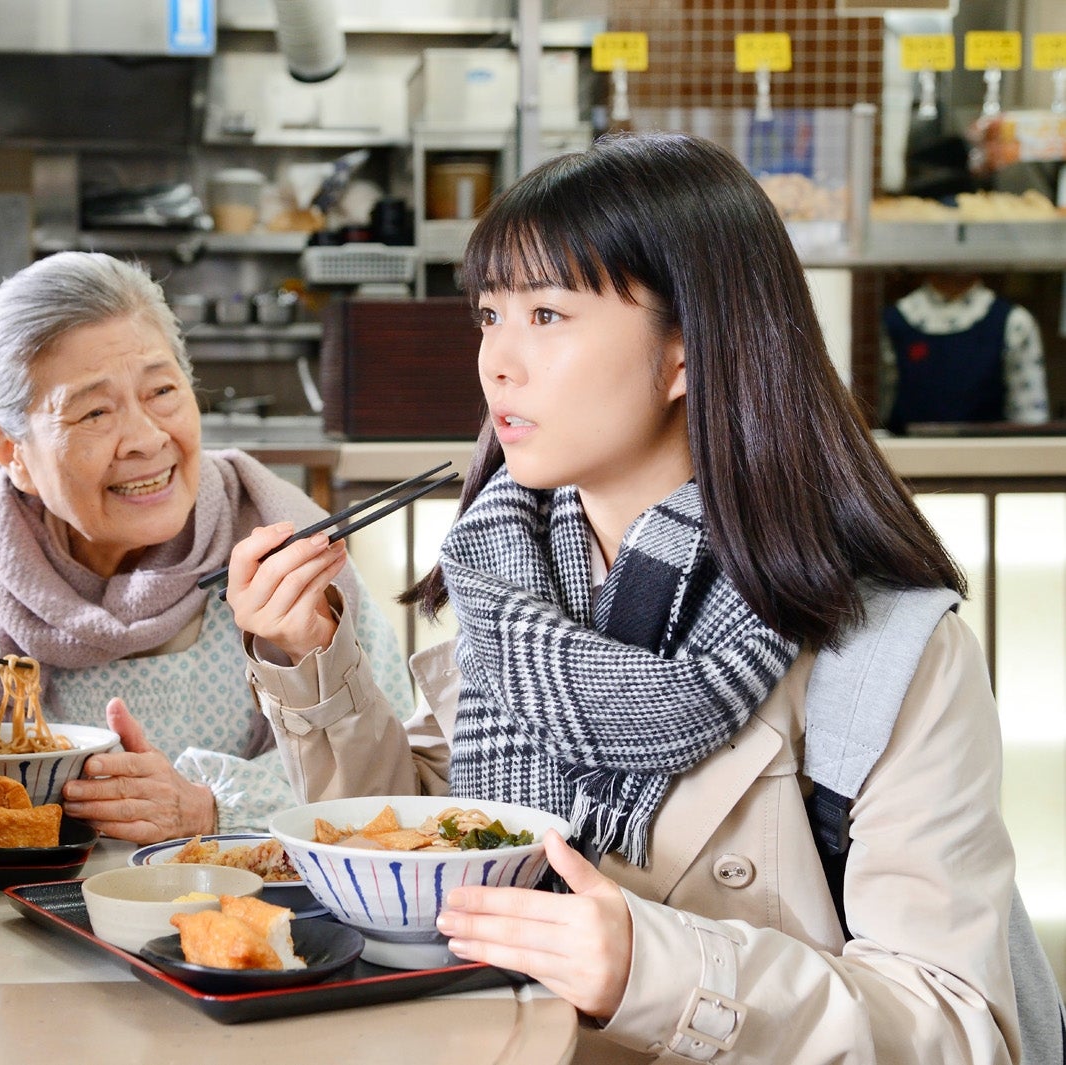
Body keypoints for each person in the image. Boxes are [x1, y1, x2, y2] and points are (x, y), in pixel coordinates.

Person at [229, 132, 1029, 1062]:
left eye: (548, 315)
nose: (497, 362)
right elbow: (432, 853)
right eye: (490, 315)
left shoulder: (886, 652)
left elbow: (960, 1032)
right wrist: (306, 657)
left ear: (686, 352)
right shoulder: (505, 585)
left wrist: (652, 970)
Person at [0, 250, 411, 843]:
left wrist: (210, 810)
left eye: (163, 391)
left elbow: (395, 792)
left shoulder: (279, 563)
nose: (145, 439)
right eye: (94, 412)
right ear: (13, 452)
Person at [879, 270, 1050, 434]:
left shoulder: (1014, 321)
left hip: (990, 458)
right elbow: (883, 409)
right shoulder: (894, 321)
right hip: (908, 457)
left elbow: (1030, 420)